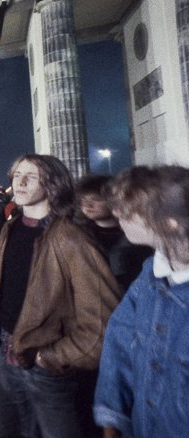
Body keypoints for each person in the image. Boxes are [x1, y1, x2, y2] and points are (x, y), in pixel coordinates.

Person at [0, 154, 121, 438]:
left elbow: (104, 323)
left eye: (30, 176)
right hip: (6, 352)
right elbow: (13, 282)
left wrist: (53, 357)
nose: (18, 182)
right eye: (17, 174)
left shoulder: (72, 238)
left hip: (46, 365)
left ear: (53, 184)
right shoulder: (12, 227)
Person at [94, 166, 189, 438]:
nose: (116, 215)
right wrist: (112, 418)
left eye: (129, 209)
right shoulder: (149, 273)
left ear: (169, 222)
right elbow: (119, 343)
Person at [76, 174, 151, 290]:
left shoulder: (135, 234)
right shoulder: (79, 234)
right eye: (83, 201)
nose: (88, 206)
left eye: (96, 200)